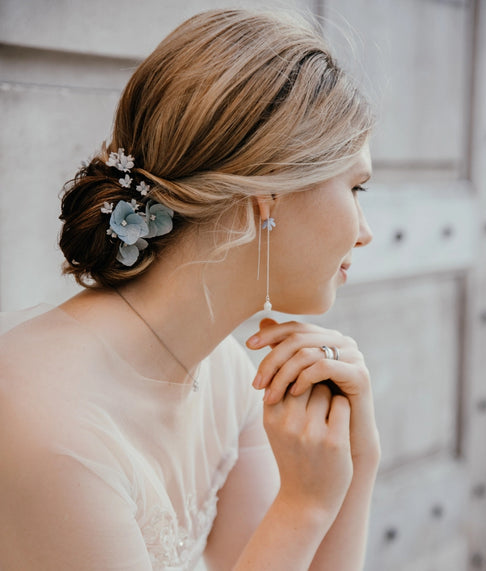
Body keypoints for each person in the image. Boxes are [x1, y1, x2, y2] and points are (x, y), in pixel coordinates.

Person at [0, 8, 380, 570]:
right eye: (356, 186)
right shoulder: (46, 422)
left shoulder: (225, 375)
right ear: (268, 193)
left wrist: (357, 457)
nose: (366, 232)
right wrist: (303, 505)